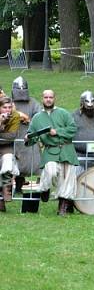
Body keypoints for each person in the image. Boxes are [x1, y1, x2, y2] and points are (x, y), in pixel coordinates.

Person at [25, 90, 79, 217]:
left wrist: (58, 131)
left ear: (54, 98)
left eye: (50, 97)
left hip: (67, 150)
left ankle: (62, 207)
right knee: (51, 171)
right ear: (42, 98)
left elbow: (73, 129)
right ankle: (45, 188)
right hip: (50, 150)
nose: (48, 99)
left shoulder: (64, 113)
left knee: (66, 179)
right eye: (46, 97)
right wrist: (28, 137)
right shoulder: (37, 118)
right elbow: (32, 135)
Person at [10, 77, 43, 213]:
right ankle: (17, 184)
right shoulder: (9, 103)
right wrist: (17, 115)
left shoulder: (33, 103)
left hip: (29, 136)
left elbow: (39, 116)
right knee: (14, 162)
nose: (22, 92)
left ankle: (39, 188)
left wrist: (29, 120)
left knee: (34, 162)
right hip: (13, 136)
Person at [0, 97, 21, 210]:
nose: (7, 110)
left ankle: (7, 189)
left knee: (7, 162)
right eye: (4, 107)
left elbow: (12, 136)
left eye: (9, 107)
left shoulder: (15, 116)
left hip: (7, 147)